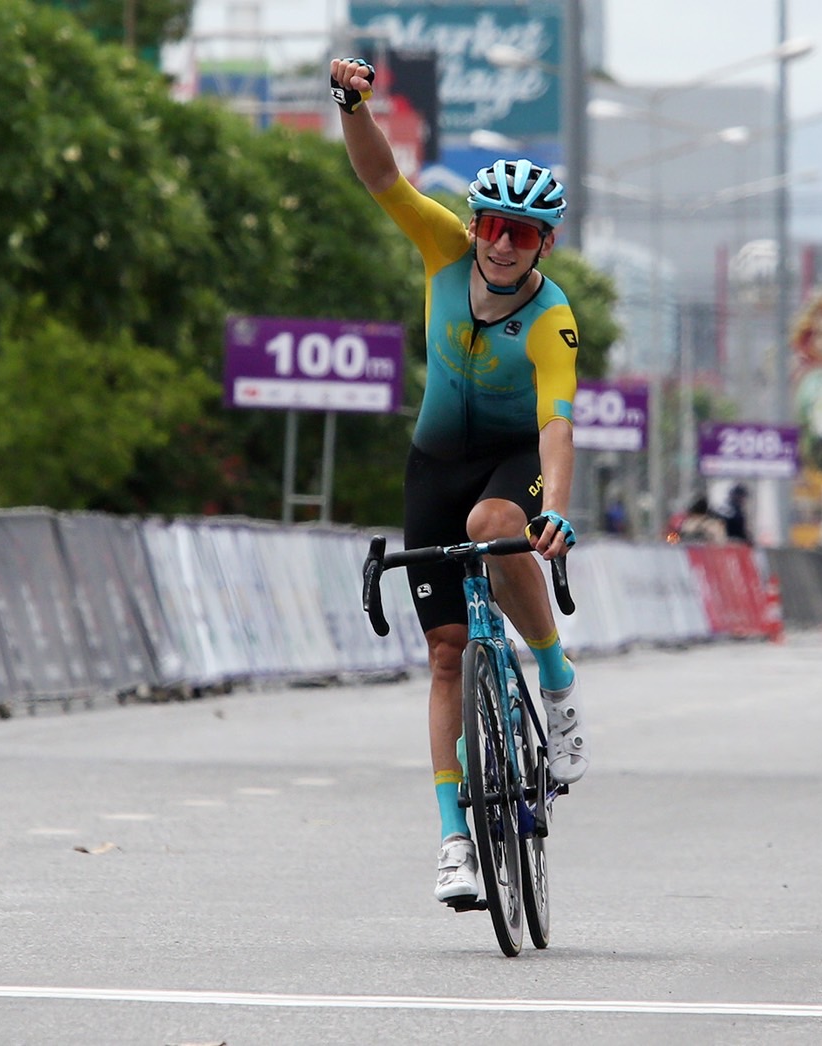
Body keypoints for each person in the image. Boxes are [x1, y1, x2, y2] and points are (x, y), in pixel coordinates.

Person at [330, 57, 589, 908]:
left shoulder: (551, 318)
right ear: (475, 226)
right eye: (494, 227)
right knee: (446, 653)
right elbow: (383, 178)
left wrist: (557, 511)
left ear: (546, 244)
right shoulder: (443, 249)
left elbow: (557, 421)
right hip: (434, 463)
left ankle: (555, 678)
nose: (504, 244)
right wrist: (352, 105)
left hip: (514, 460)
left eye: (525, 234)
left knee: (492, 524)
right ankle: (453, 840)